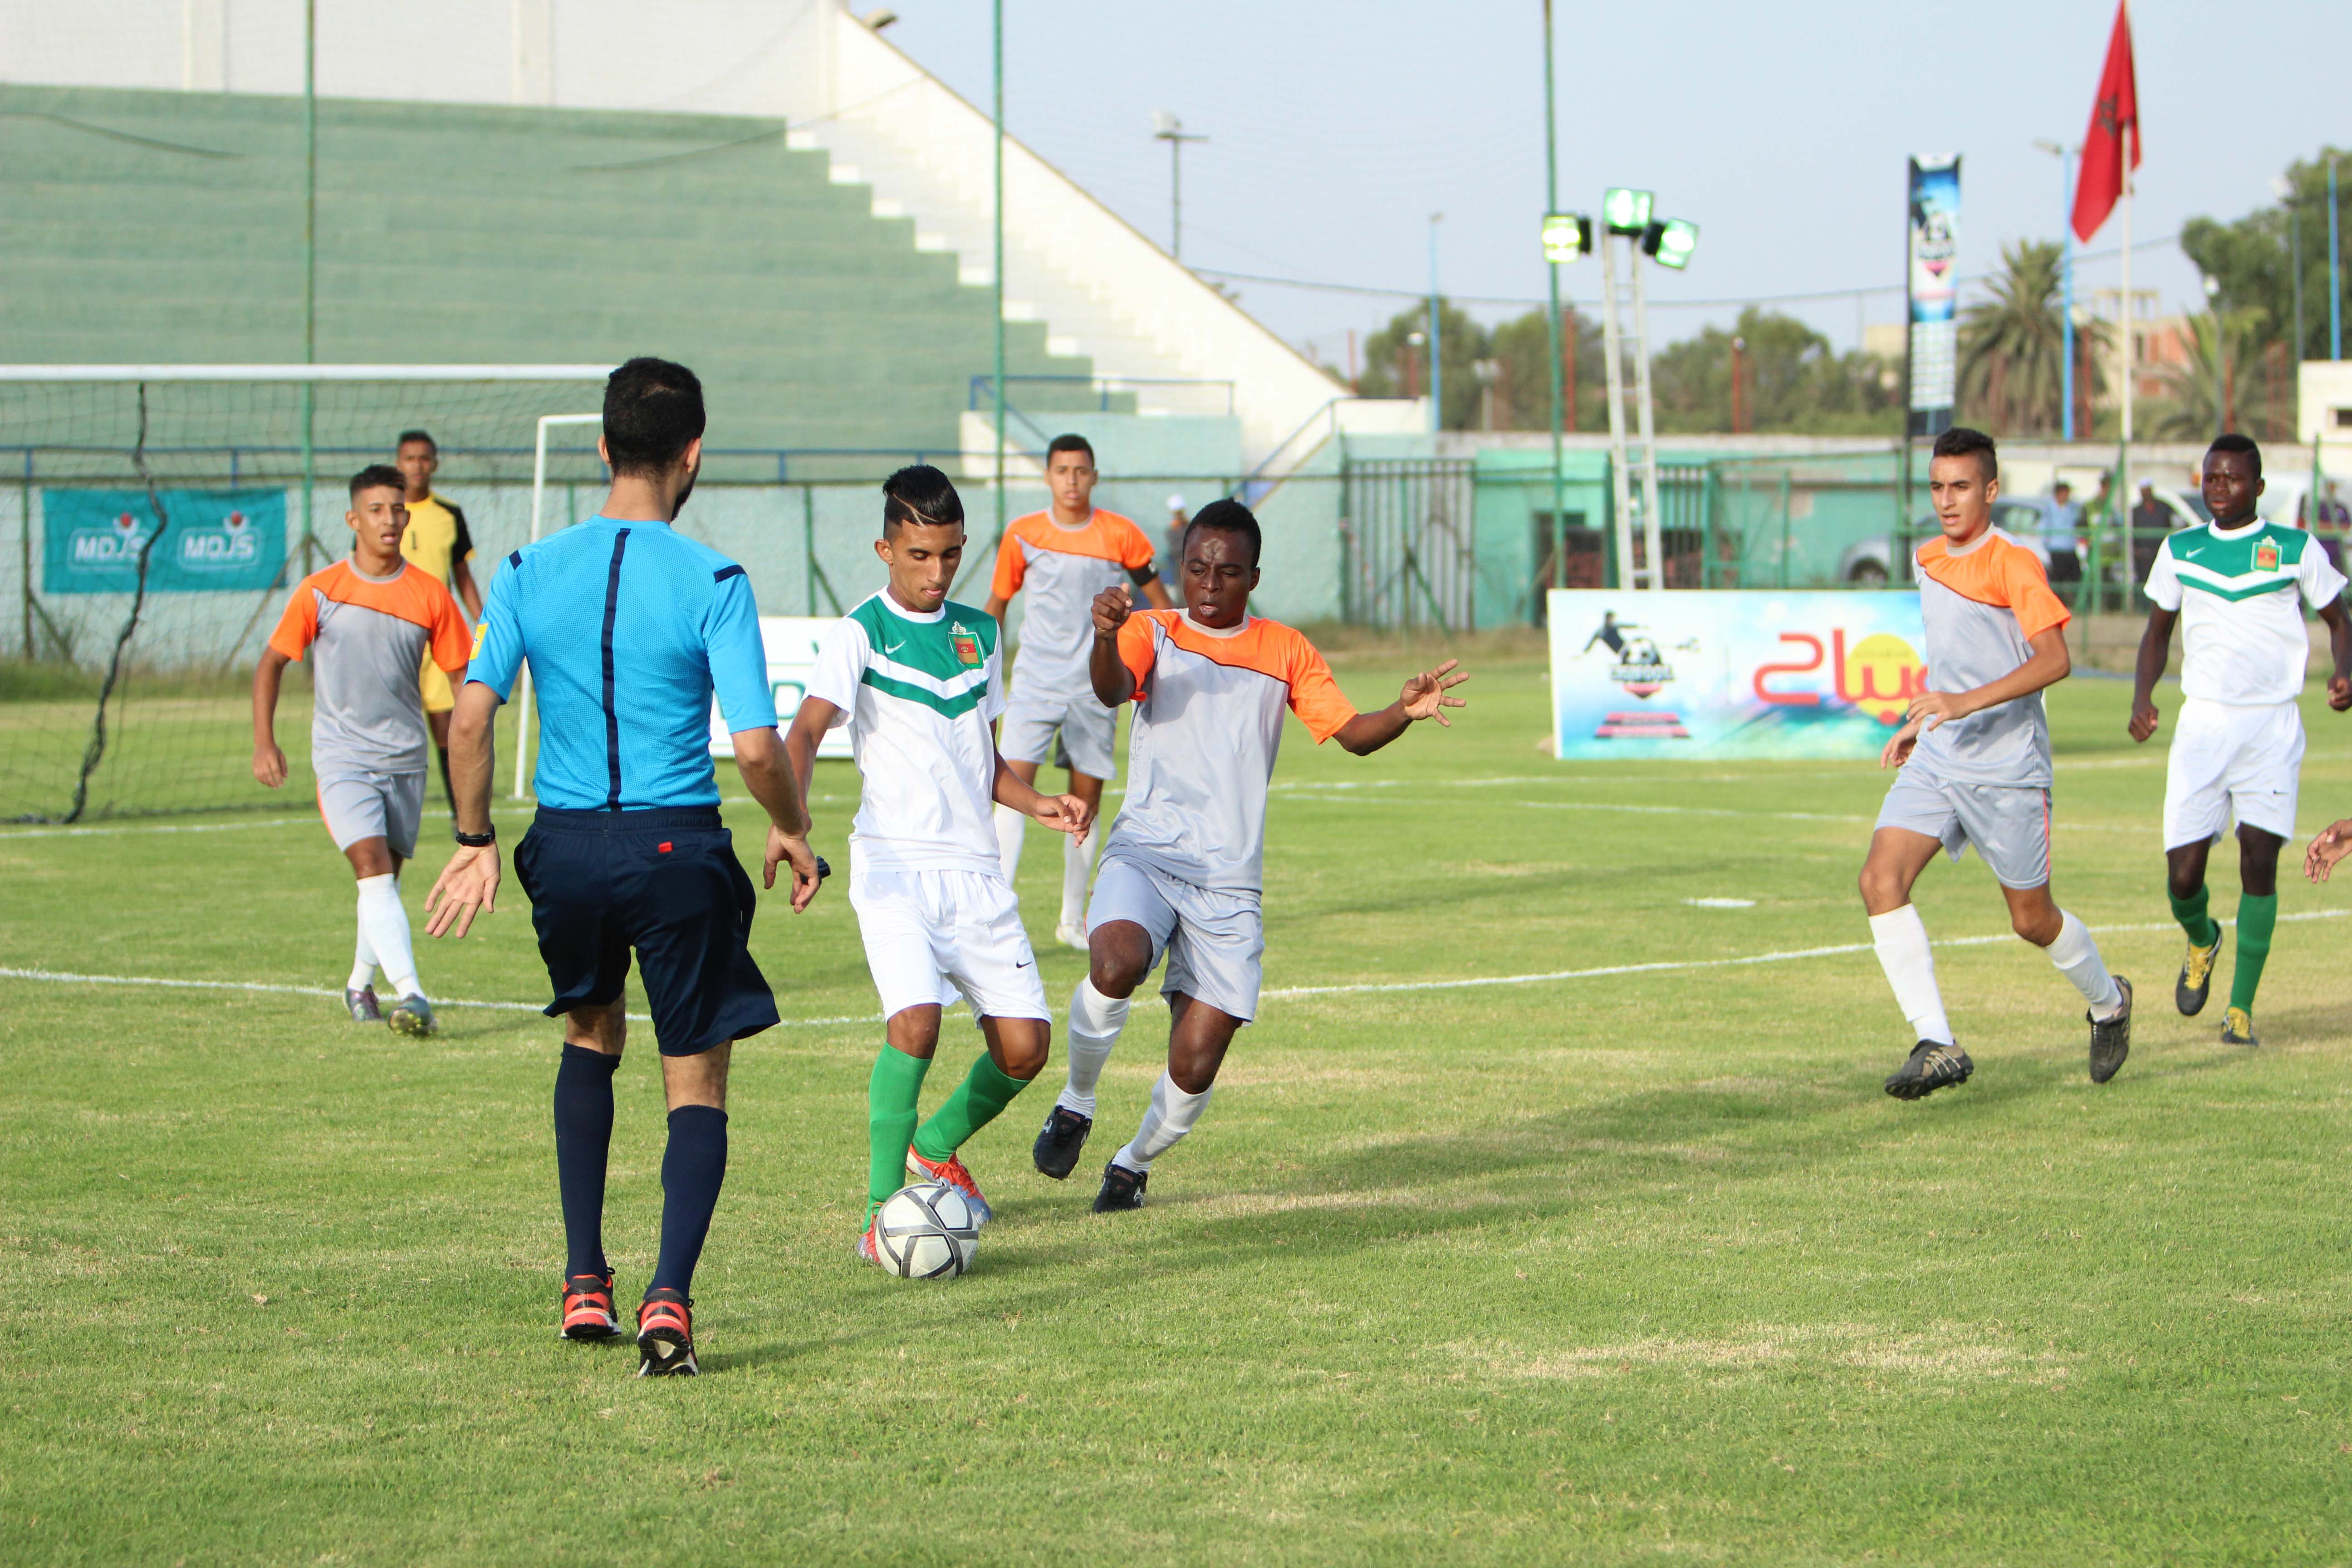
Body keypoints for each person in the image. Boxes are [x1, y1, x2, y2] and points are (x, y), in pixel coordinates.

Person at [421, 358, 822, 1378]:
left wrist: (475, 843)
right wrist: (792, 825)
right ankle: (670, 1303)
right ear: (693, 455)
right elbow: (760, 748)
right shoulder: (715, 580)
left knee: (590, 1035)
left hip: (568, 848)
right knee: (697, 1075)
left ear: (602, 448)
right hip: (675, 846)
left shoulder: (522, 570)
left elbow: (470, 719)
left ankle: (584, 1280)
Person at [1033, 499, 1468, 1210]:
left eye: (1227, 573)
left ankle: (1132, 1162)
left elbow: (1353, 733)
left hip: (1229, 886)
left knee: (1197, 1062)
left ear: (1253, 578)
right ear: (1182, 568)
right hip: (1147, 852)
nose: (1209, 584)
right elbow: (1111, 689)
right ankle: (1077, 1102)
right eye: (1197, 568)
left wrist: (1404, 710)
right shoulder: (1153, 629)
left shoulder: (1286, 649)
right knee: (1114, 961)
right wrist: (1105, 637)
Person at [783, 465, 1093, 1261]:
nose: (936, 572)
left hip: (975, 870)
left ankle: (934, 1145)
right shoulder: (860, 632)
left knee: (1025, 1048)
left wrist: (1037, 803)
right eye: (920, 555)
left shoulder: (979, 635)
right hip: (892, 866)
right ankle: (881, 1209)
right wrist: (791, 823)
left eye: (950, 555)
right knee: (915, 1024)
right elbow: (807, 732)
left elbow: (982, 761)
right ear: (886, 548)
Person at [1861, 426, 2132, 1099]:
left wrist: (1960, 704)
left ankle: (2110, 1004)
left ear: (1991, 490)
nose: (1946, 501)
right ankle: (1937, 1041)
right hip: (1942, 758)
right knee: (1879, 880)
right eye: (1936, 486)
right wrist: (1927, 724)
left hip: (2009, 769)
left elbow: (2054, 661)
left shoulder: (2014, 563)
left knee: (2031, 921)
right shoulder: (1927, 560)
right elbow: (1957, 661)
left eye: (1960, 487)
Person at [2129, 434, 2351, 1048]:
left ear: (2257, 487)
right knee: (2182, 877)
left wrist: (2345, 671)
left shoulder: (2296, 549)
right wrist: (2142, 697)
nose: (2218, 489)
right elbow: (2156, 633)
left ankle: (2241, 1010)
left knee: (2260, 858)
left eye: (2231, 479)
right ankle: (2203, 938)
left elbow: (2340, 620)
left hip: (2272, 726)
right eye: (2211, 478)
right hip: (2203, 724)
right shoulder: (2180, 550)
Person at [252, 464, 472, 1036]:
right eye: (376, 510)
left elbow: (463, 677)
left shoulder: (430, 595)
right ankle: (414, 993)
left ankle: (358, 984)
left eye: (398, 509)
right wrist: (264, 742)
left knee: (384, 886)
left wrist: (472, 742)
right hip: (342, 758)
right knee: (372, 871)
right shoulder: (321, 590)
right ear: (353, 519)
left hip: (406, 761)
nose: (390, 520)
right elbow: (271, 663)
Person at [983, 434, 1171, 949]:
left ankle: (1073, 919)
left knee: (1085, 799)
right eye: (1062, 470)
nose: (1071, 480)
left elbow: (1161, 604)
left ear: (1094, 476)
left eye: (1081, 470)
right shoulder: (1022, 534)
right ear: (1047, 476)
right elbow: (996, 605)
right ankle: (993, 913)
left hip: (1096, 685)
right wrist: (983, 668)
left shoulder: (1122, 535)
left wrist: (1152, 661)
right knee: (1011, 790)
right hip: (1035, 682)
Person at [392, 430, 484, 819]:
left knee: (450, 728)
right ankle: (391, 809)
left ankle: (460, 814)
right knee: (394, 727)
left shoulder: (449, 514)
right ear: (399, 463)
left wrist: (484, 621)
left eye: (425, 458)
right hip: (393, 636)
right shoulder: (385, 511)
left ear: (436, 464)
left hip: (437, 636)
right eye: (410, 458)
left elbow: (461, 573)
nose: (418, 466)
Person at [2043, 480, 2082, 601]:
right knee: (2057, 578)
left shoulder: (2073, 508)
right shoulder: (2050, 509)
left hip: (2070, 548)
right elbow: (2044, 528)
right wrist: (2047, 545)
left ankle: (2076, 602)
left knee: (2076, 577)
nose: (2066, 496)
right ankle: (2056, 603)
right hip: (2057, 549)